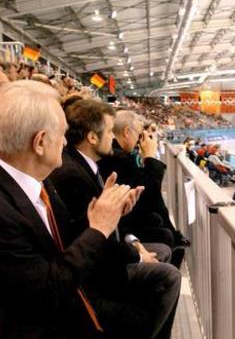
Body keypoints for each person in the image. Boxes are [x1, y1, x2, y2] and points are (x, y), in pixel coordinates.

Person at [0, 80, 146, 337]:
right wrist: (98, 229)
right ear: (40, 142)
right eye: (62, 133)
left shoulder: (34, 180)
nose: (66, 142)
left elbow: (60, 249)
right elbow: (48, 293)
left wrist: (105, 215)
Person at [49, 99, 180, 338]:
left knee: (161, 251)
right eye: (109, 131)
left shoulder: (85, 166)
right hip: (97, 279)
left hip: (104, 258)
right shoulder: (73, 176)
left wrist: (121, 214)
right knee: (169, 274)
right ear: (91, 137)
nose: (113, 136)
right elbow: (94, 237)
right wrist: (138, 254)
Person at [98, 110, 190, 266]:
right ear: (127, 132)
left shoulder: (120, 156)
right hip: (124, 226)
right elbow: (148, 194)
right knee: (164, 234)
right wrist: (149, 157)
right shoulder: (118, 158)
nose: (140, 141)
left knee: (162, 227)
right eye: (140, 135)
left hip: (124, 223)